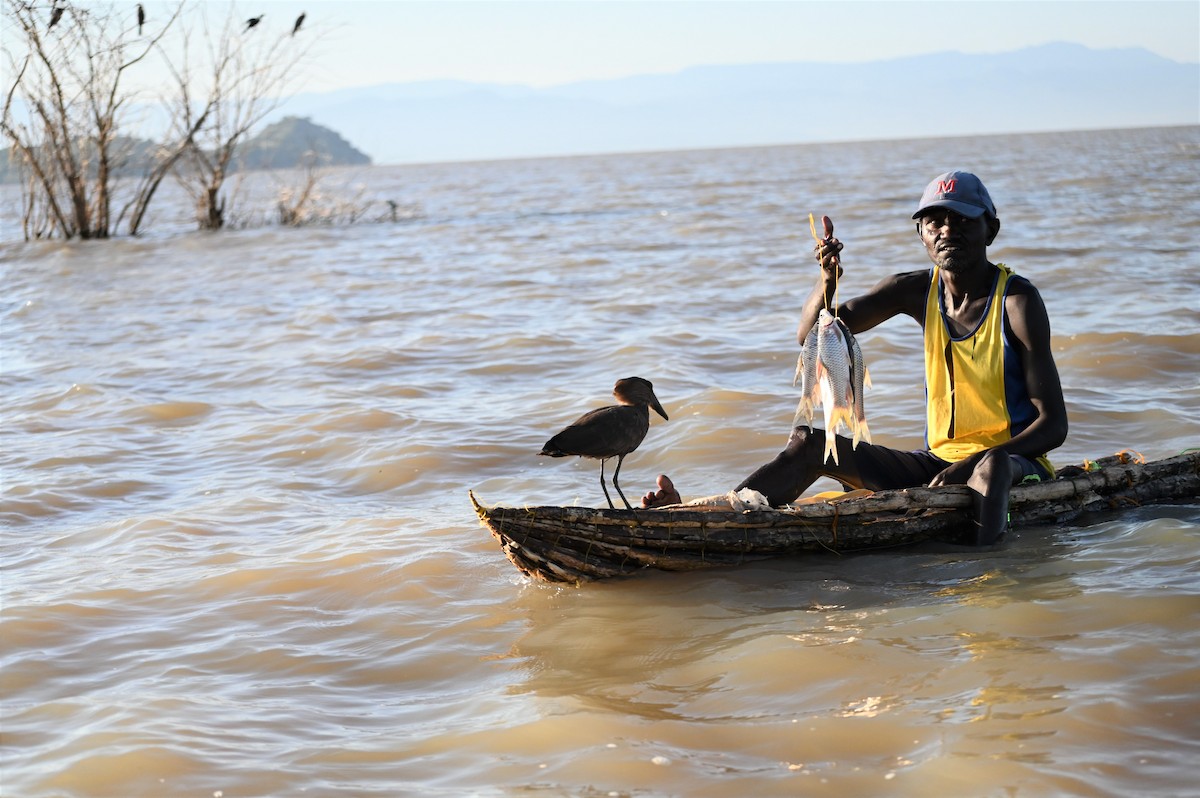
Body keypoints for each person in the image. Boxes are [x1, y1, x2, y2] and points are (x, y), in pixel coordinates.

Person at [642, 171, 1068, 546]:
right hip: (938, 463)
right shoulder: (914, 290)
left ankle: (987, 578)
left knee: (990, 467)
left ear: (990, 230)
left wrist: (973, 464)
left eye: (962, 220)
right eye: (935, 221)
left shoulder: (1017, 301)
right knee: (812, 443)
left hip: (1011, 465)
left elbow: (1053, 425)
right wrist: (826, 279)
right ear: (921, 234)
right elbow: (811, 333)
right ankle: (714, 520)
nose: (947, 230)